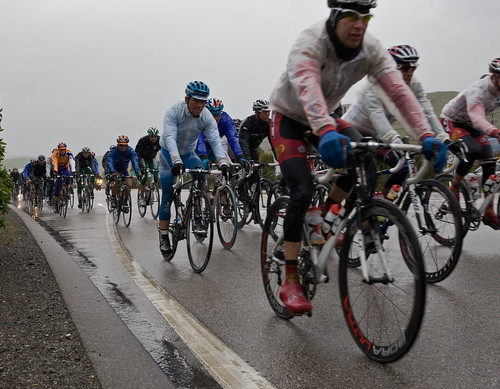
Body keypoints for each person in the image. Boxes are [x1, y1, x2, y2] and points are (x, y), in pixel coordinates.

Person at [269, 0, 447, 315]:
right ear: (335, 16)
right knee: (301, 189)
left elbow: (399, 93)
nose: (359, 24)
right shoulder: (309, 42)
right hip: (290, 118)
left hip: (328, 116)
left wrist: (427, 135)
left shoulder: (371, 48)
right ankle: (290, 278)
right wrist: (324, 130)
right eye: (351, 16)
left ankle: (324, 222)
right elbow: (308, 89)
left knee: (363, 159)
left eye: (366, 17)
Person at [343, 44, 450, 197]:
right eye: (405, 68)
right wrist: (396, 140)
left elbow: (427, 112)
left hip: (378, 135)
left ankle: (384, 206)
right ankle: (354, 214)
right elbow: (377, 114)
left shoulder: (414, 85)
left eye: (413, 68)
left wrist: (443, 138)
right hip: (353, 130)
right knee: (368, 177)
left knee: (405, 167)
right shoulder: (373, 85)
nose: (410, 73)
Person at [158, 80, 230, 256]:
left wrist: (222, 162)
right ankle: (164, 236)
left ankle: (196, 214)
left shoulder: (206, 116)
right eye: (196, 101)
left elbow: (214, 139)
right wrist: (176, 160)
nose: (200, 105)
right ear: (186, 98)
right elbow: (169, 137)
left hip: (189, 153)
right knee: (167, 193)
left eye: (203, 101)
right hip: (169, 153)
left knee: (201, 174)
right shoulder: (174, 111)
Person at [440, 57, 500, 229]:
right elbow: (478, 118)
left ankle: (488, 211)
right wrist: (496, 132)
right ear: (495, 76)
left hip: (472, 125)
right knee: (472, 150)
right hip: (452, 120)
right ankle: (455, 188)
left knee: (490, 160)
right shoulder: (479, 89)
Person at [106, 135, 141, 213]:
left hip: (124, 169)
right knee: (116, 179)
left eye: (125, 145)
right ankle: (113, 198)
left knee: (129, 184)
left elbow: (134, 162)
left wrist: (137, 172)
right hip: (114, 168)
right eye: (121, 145)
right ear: (118, 144)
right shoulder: (113, 151)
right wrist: (112, 171)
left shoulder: (130, 151)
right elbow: (110, 161)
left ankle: (125, 202)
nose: (123, 147)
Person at [135, 127, 161, 206]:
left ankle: (150, 190)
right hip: (142, 158)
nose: (154, 138)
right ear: (149, 136)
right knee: (145, 176)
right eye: (152, 136)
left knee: (156, 176)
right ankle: (142, 197)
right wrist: (141, 167)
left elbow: (164, 151)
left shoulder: (160, 141)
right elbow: (137, 155)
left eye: (155, 136)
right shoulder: (142, 141)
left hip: (152, 158)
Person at [51, 142, 75, 213]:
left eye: (63, 149)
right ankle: (55, 203)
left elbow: (72, 162)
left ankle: (67, 190)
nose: (62, 151)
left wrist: (73, 171)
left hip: (65, 167)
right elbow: (54, 162)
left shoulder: (69, 153)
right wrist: (55, 171)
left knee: (68, 176)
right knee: (57, 184)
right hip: (58, 168)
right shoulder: (55, 154)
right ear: (58, 149)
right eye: (60, 150)